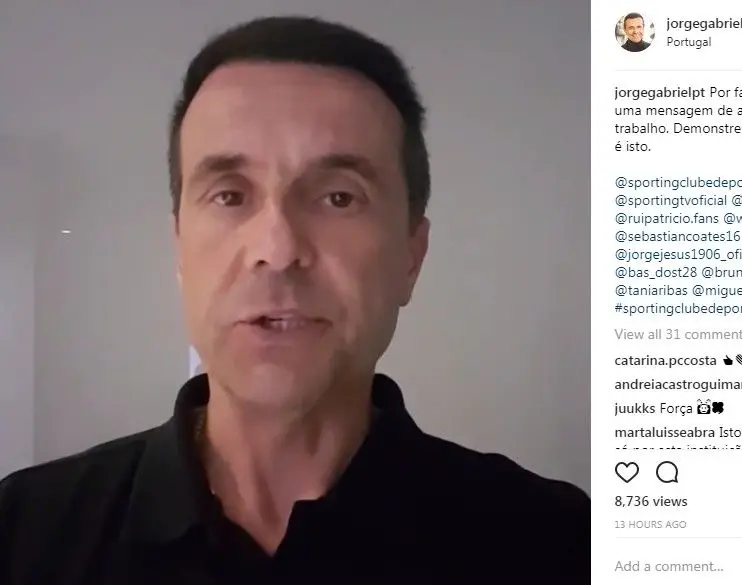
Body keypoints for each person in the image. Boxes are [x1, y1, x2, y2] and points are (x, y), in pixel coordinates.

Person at [0, 15, 589, 583]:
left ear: (411, 255)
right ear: (180, 248)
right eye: (230, 196)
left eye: (338, 198)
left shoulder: (558, 544)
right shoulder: (21, 534)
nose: (278, 250)